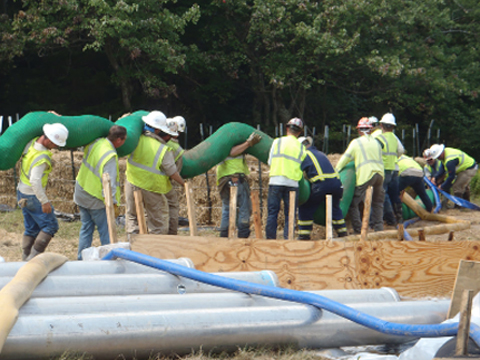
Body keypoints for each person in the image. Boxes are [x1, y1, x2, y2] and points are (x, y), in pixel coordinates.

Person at [125, 111, 185, 236]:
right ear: (160, 131)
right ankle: (155, 250)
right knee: (157, 223)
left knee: (132, 217)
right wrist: (183, 183)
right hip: (151, 188)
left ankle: (133, 247)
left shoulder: (137, 139)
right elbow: (172, 172)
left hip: (131, 182)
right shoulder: (163, 149)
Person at [17, 122, 69, 260]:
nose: (56, 147)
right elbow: (35, 180)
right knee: (50, 226)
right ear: (48, 140)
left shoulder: (31, 143)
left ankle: (24, 258)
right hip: (33, 196)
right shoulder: (42, 157)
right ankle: (32, 260)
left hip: (21, 192)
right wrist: (44, 201)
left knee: (31, 229)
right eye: (55, 144)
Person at [74, 125, 127, 260]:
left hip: (81, 191)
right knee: (106, 232)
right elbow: (109, 183)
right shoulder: (110, 155)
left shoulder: (96, 143)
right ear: (119, 140)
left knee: (86, 229)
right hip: (95, 198)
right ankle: (109, 260)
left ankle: (81, 259)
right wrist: (113, 203)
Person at [336, 117, 384, 234]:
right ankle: (379, 229)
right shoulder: (376, 143)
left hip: (366, 175)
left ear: (359, 131)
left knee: (354, 203)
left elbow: (345, 159)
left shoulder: (356, 143)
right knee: (377, 203)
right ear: (371, 130)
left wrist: (336, 171)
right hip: (380, 175)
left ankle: (359, 230)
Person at [297, 136, 347, 239]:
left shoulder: (305, 154)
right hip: (337, 185)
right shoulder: (321, 154)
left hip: (322, 185)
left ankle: (304, 235)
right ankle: (342, 232)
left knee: (306, 206)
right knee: (335, 209)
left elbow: (298, 171)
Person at [266, 117, 307, 239]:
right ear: (300, 132)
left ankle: (270, 240)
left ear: (287, 128)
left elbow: (269, 162)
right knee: (290, 214)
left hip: (276, 181)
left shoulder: (277, 142)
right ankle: (288, 240)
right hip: (292, 184)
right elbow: (302, 164)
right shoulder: (301, 147)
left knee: (272, 213)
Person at [216, 132, 262, 238]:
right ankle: (243, 235)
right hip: (235, 178)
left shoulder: (220, 144)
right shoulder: (229, 146)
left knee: (227, 208)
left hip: (224, 180)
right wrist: (248, 143)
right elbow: (232, 152)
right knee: (244, 207)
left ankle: (224, 236)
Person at [373, 112, 404, 226]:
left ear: (381, 125)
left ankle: (390, 219)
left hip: (384, 169)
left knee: (382, 195)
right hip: (394, 169)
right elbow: (401, 150)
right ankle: (400, 218)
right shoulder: (394, 138)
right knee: (395, 194)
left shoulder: (378, 137)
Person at [164, 116, 186, 235]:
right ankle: (171, 234)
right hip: (164, 184)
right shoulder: (177, 150)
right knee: (172, 207)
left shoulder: (154, 142)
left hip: (145, 182)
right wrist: (183, 183)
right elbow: (175, 171)